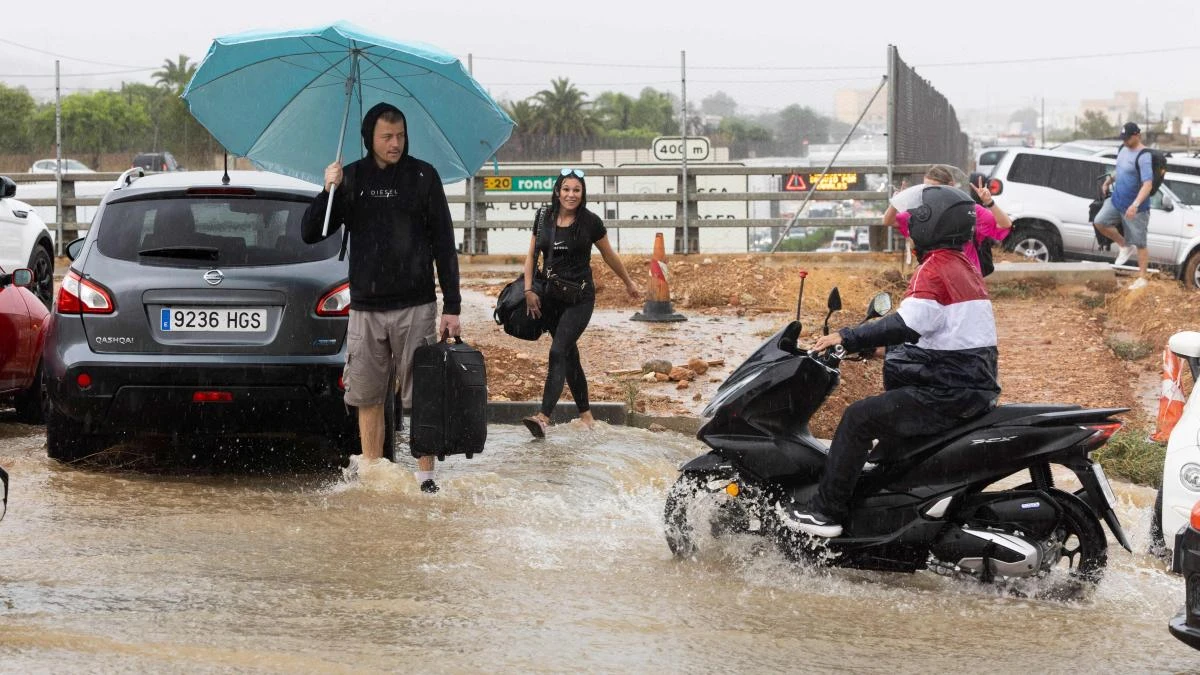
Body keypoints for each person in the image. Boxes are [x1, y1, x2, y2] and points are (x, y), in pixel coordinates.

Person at [780, 185, 1001, 537]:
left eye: (916, 216)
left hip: (947, 393)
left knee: (858, 418)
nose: (910, 221)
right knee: (883, 441)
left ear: (930, 222)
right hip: (964, 384)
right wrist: (877, 349)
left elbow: (905, 323)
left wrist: (846, 336)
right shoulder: (962, 266)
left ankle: (826, 513)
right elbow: (939, 335)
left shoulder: (936, 268)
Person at [302, 102, 460, 493]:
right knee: (367, 394)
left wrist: (452, 306)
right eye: (387, 137)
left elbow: (444, 243)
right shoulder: (351, 178)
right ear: (369, 138)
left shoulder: (424, 176)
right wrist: (327, 189)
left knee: (421, 395)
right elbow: (310, 232)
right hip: (367, 309)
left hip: (416, 306)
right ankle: (372, 472)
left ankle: (425, 476)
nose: (395, 143)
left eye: (400, 136)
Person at [519, 169, 640, 438]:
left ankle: (542, 417)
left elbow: (609, 255)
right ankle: (587, 417)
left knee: (557, 351)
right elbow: (530, 256)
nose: (571, 195)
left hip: (580, 298)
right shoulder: (543, 219)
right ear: (557, 191)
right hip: (550, 299)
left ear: (582, 193)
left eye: (576, 190)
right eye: (566, 189)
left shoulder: (590, 222)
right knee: (569, 356)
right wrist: (528, 289)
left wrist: (629, 282)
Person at [883, 164, 1011, 274]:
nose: (929, 192)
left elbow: (1004, 224)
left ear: (950, 186)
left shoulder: (969, 209)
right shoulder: (924, 211)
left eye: (935, 188)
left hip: (966, 271)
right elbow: (889, 221)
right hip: (934, 271)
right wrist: (897, 202)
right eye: (926, 188)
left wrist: (989, 202)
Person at [1093, 122, 1154, 288]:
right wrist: (1109, 181)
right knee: (1100, 221)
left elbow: (1147, 184)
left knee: (1140, 242)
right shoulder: (1122, 149)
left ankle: (1142, 277)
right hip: (1116, 200)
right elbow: (1120, 170)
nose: (1125, 141)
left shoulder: (1144, 156)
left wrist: (1135, 204)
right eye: (1123, 138)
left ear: (1137, 135)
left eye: (1128, 138)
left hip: (1136, 207)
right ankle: (1124, 245)